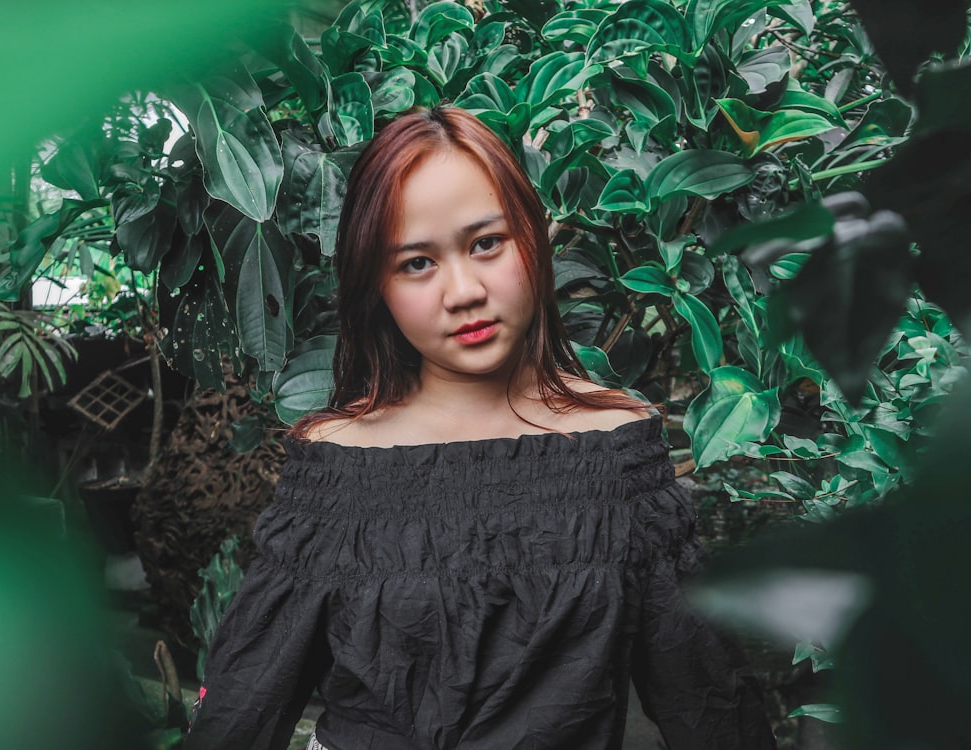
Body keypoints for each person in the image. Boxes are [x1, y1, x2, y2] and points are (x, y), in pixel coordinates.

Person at [184, 107, 775, 750]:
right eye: (415, 262)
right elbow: (243, 707)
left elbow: (711, 705)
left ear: (531, 238)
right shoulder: (335, 467)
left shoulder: (618, 452)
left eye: (485, 243)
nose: (462, 291)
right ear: (374, 284)